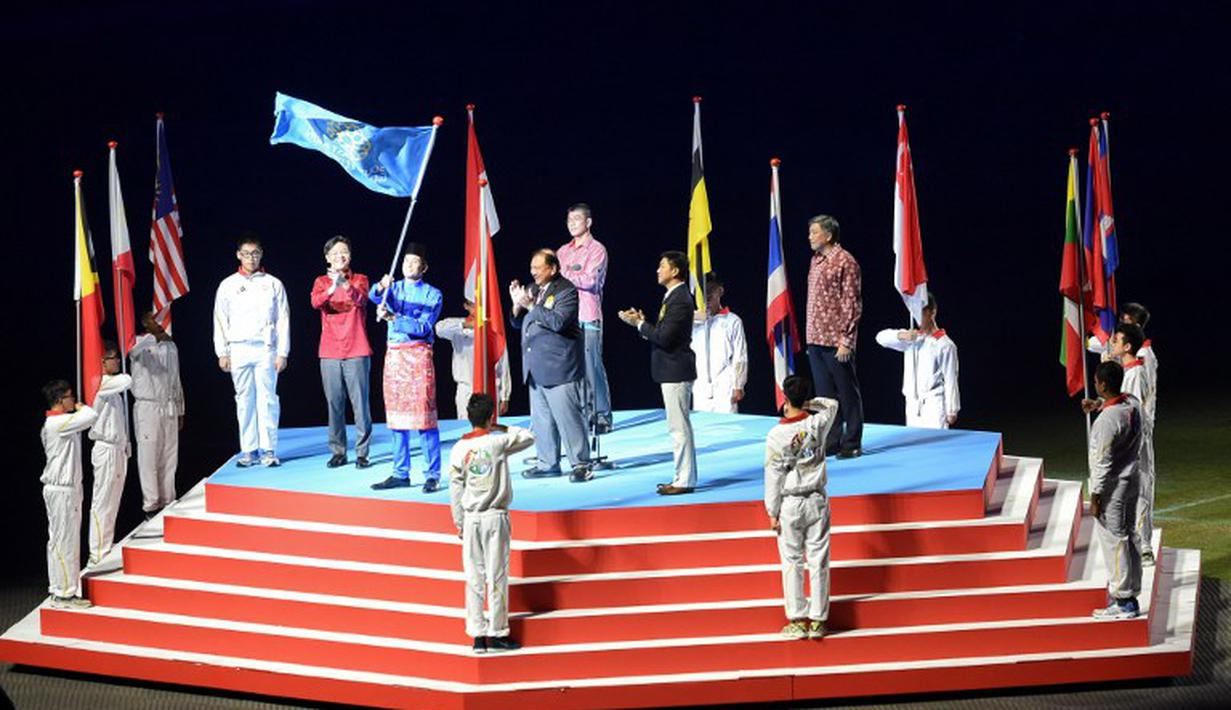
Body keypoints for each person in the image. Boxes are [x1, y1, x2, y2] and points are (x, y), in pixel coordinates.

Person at [448, 393, 535, 654]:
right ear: (489, 417)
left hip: (472, 518)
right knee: (497, 575)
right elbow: (529, 436)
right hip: (495, 516)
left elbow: (455, 489)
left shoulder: (458, 449)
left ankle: (477, 635)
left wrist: (459, 522)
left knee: (474, 578)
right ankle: (497, 631)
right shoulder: (497, 443)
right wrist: (499, 426)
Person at [764, 375, 839, 640]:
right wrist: (809, 402)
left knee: (792, 560)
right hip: (817, 498)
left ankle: (797, 618)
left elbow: (773, 475)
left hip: (791, 502)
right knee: (818, 559)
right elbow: (832, 405)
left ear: (785, 398)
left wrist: (771, 512)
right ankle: (818, 620)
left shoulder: (776, 435)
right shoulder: (818, 422)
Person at [509, 249, 592, 482]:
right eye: (532, 267)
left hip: (560, 367)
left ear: (553, 268)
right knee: (542, 421)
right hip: (536, 367)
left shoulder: (566, 291)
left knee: (568, 419)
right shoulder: (534, 290)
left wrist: (532, 306)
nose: (533, 272)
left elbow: (557, 322)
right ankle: (547, 463)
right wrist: (517, 306)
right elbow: (518, 323)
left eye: (538, 267)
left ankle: (581, 464)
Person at [618, 251, 697, 495]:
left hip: (676, 369)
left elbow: (665, 337)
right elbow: (663, 331)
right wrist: (643, 323)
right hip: (671, 369)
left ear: (675, 271)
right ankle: (683, 477)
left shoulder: (680, 298)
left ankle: (684, 480)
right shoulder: (672, 296)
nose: (657, 270)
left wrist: (639, 325)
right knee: (678, 426)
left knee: (679, 428)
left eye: (662, 266)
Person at [369, 242, 443, 493]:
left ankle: (432, 474)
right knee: (397, 417)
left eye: (414, 262)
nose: (409, 266)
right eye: (406, 262)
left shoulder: (433, 294)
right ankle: (400, 472)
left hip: (419, 355)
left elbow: (423, 327)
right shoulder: (394, 288)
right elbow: (373, 296)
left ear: (424, 267)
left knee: (425, 417)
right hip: (395, 356)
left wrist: (394, 318)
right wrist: (381, 287)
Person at [213, 233, 290, 467]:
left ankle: (268, 449)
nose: (251, 258)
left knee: (267, 398)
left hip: (265, 349)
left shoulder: (273, 283)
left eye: (255, 253)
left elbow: (283, 319)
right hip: (238, 348)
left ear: (261, 254)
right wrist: (222, 352)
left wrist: (282, 352)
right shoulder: (228, 285)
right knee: (244, 400)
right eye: (246, 254)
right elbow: (220, 320)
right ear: (239, 255)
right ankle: (249, 449)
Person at [1081, 361, 1143, 619]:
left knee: (1114, 541)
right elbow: (1119, 402)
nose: (1094, 384)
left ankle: (1123, 600)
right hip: (1131, 480)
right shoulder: (1132, 403)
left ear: (1103, 384)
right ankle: (1130, 593)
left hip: (1113, 488)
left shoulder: (1107, 421)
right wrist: (1098, 404)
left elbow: (1102, 462)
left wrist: (1095, 496)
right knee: (1129, 537)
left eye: (1096, 381)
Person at [310, 235, 374, 469]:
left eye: (344, 252)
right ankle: (338, 451)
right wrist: (332, 287)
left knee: (360, 403)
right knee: (334, 403)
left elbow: (361, 300)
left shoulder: (360, 279)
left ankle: (362, 452)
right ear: (327, 258)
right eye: (335, 253)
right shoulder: (320, 282)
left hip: (357, 348)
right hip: (329, 350)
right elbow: (316, 303)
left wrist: (345, 284)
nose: (340, 256)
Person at [804, 215, 864, 458]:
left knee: (847, 394)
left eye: (814, 232)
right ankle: (832, 440)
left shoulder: (845, 261)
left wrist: (846, 340)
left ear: (828, 235)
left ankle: (852, 442)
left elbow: (852, 303)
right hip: (816, 339)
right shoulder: (816, 260)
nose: (810, 237)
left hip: (836, 341)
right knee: (825, 396)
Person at [40, 380, 99, 609]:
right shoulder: (58, 422)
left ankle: (58, 588)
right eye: (69, 397)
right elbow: (91, 416)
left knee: (57, 541)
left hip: (61, 489)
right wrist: (82, 406)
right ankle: (65, 593)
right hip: (62, 490)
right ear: (59, 401)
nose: (72, 400)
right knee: (65, 541)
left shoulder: (59, 422)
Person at [557, 203, 613, 433]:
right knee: (571, 369)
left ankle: (601, 416)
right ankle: (581, 414)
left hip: (588, 315)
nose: (572, 224)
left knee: (592, 367)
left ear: (588, 222)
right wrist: (573, 273)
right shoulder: (562, 251)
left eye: (577, 219)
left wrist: (565, 273)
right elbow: (556, 282)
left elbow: (590, 281)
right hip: (566, 317)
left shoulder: (597, 249)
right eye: (569, 220)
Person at [873, 292, 960, 428]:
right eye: (914, 312)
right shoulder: (912, 339)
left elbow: (950, 378)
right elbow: (880, 338)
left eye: (921, 312)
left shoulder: (945, 345)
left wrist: (952, 409)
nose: (917, 317)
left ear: (932, 312)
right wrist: (902, 335)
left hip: (934, 404)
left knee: (934, 445)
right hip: (912, 404)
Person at [129, 310, 184, 519]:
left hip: (168, 406)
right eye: (155, 319)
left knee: (169, 454)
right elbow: (132, 352)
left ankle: (168, 499)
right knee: (149, 457)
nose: (160, 322)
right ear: (145, 322)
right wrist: (156, 335)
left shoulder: (171, 346)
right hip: (147, 407)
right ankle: (151, 505)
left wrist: (180, 410)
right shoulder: (139, 342)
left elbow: (176, 378)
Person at [87, 343, 133, 564]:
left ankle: (106, 544)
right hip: (104, 449)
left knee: (113, 500)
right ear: (101, 362)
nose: (118, 360)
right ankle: (96, 552)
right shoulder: (100, 383)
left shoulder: (111, 385)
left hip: (117, 448)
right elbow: (128, 380)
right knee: (102, 500)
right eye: (113, 357)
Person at [435, 299, 511, 419]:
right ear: (466, 306)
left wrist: (505, 396)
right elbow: (439, 329)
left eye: (481, 303)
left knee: (489, 430)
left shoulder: (493, 328)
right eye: (473, 304)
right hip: (466, 387)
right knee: (465, 427)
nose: (478, 308)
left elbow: (503, 363)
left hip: (489, 386)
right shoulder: (458, 326)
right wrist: (466, 325)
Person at [690, 272, 748, 413]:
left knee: (726, 426)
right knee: (701, 427)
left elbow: (740, 355)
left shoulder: (732, 320)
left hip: (725, 383)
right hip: (699, 384)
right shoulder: (693, 323)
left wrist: (738, 385)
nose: (707, 296)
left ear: (720, 291)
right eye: (703, 292)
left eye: (711, 291)